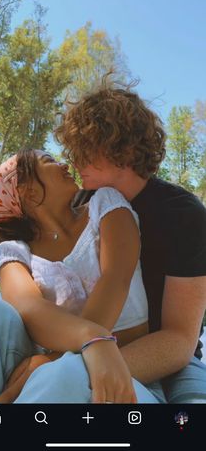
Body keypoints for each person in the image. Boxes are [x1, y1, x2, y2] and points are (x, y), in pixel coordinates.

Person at [0, 148, 163, 403]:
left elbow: (116, 277)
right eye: (49, 161)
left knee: (63, 373)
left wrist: (51, 361)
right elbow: (29, 308)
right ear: (27, 190)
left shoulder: (104, 205)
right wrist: (89, 340)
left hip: (131, 374)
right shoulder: (14, 251)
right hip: (50, 373)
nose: (64, 164)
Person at [55, 78, 206, 403]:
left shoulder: (183, 214)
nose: (74, 160)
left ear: (121, 151)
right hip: (90, 347)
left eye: (84, 147)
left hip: (169, 358)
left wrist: (94, 374)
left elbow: (179, 339)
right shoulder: (82, 203)